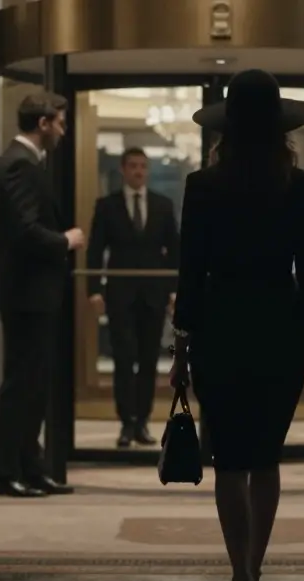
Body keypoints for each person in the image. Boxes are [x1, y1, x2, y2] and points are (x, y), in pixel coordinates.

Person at [169, 69, 304, 581]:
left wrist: (180, 350)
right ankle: (254, 572)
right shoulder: (300, 183)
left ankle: (238, 573)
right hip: (278, 330)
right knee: (265, 459)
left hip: (220, 328)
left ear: (227, 129)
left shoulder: (202, 186)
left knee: (229, 461)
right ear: (279, 128)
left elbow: (189, 279)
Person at [0, 92, 86, 497]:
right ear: (43, 123)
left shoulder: (27, 164)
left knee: (35, 383)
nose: (63, 130)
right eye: (60, 122)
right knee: (21, 384)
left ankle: (30, 467)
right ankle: (3, 472)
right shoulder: (18, 166)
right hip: (27, 293)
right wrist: (66, 240)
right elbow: (25, 232)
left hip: (36, 293)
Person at [86, 148, 181, 448]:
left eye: (143, 167)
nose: (139, 172)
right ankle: (126, 423)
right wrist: (93, 289)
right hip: (120, 294)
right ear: (123, 170)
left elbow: (175, 251)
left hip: (154, 294)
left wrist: (175, 289)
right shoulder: (107, 206)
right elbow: (95, 249)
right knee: (124, 359)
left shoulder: (162, 206)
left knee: (150, 360)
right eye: (134, 166)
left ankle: (143, 422)